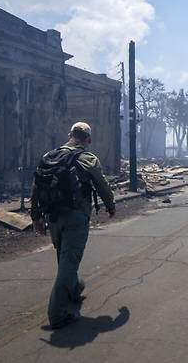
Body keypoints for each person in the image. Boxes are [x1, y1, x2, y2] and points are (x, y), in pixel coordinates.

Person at [31, 122, 116, 329]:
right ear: (88, 139)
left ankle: (74, 290)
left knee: (64, 258)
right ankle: (57, 315)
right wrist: (110, 206)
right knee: (69, 262)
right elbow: (102, 186)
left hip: (53, 217)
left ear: (69, 134)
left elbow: (36, 186)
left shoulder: (49, 156)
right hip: (76, 218)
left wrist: (36, 217)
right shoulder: (88, 158)